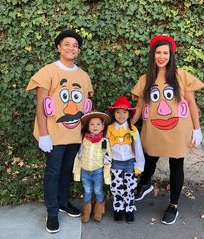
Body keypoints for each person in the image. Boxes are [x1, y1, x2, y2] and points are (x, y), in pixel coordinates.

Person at [131, 34, 204, 225]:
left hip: (178, 130)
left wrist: (197, 129)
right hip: (154, 128)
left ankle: (173, 205)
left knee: (176, 165)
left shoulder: (181, 75)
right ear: (153, 55)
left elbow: (191, 104)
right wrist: (128, 125)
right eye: (158, 52)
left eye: (165, 52)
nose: (162, 56)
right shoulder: (146, 78)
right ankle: (145, 184)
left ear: (171, 55)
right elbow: (139, 107)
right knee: (149, 159)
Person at [26, 29, 94, 233]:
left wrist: (86, 133)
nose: (71, 48)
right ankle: (52, 211)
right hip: (54, 135)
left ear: (78, 50)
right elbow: (41, 105)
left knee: (67, 170)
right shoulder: (48, 72)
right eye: (67, 44)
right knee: (53, 172)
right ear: (59, 47)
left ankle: (64, 202)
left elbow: (86, 105)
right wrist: (44, 134)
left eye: (75, 45)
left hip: (74, 134)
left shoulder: (83, 75)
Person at [107, 96, 145, 223]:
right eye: (118, 112)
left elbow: (138, 147)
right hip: (116, 162)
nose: (121, 115)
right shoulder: (109, 129)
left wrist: (139, 165)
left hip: (129, 162)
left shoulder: (132, 130)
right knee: (117, 186)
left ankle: (129, 208)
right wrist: (106, 164)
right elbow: (106, 148)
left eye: (124, 112)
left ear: (129, 114)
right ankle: (118, 208)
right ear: (114, 113)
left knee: (130, 186)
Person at [73, 111, 112, 223]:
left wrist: (107, 176)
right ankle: (87, 212)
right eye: (92, 124)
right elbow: (79, 156)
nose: (95, 126)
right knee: (88, 190)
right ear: (88, 126)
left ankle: (99, 209)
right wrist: (77, 172)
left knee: (98, 190)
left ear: (103, 126)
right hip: (85, 171)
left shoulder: (104, 141)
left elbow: (108, 159)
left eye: (98, 124)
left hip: (98, 172)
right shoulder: (84, 140)